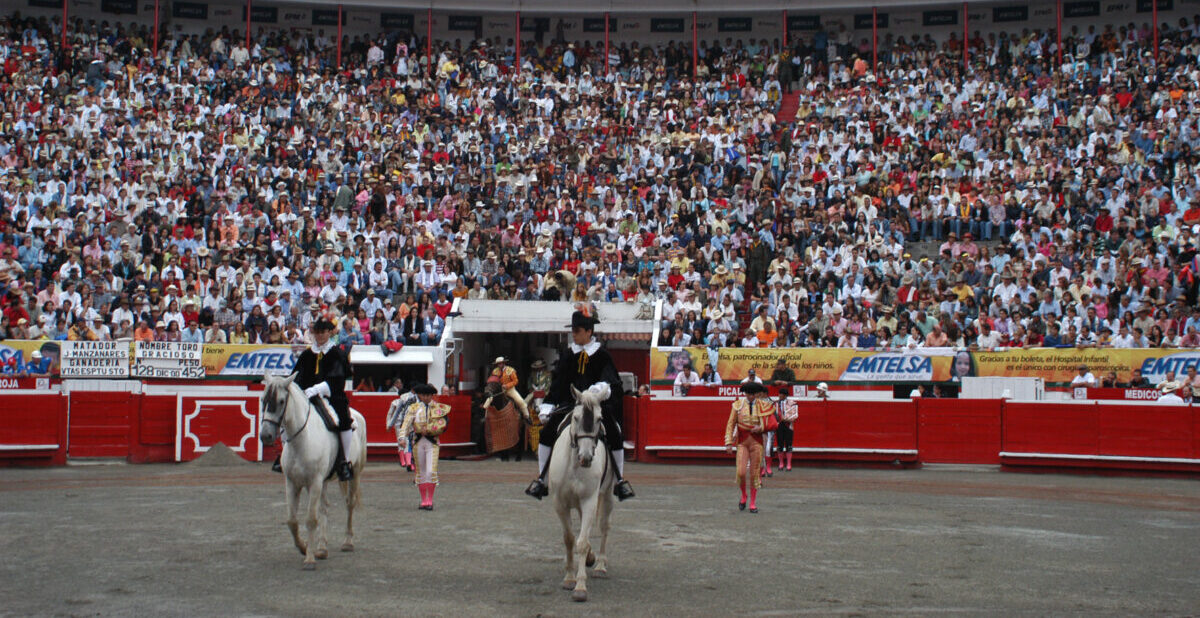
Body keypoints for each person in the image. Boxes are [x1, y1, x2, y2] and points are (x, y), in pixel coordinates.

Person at [525, 309, 635, 501]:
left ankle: (619, 480)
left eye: (576, 331)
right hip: (570, 404)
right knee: (547, 433)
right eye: (573, 331)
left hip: (595, 405)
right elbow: (558, 383)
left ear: (588, 332)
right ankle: (542, 478)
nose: (573, 334)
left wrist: (601, 389)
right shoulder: (568, 355)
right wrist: (548, 405)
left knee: (615, 433)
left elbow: (612, 381)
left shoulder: (602, 355)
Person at [285, 318, 355, 481]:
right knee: (288, 416)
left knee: (343, 418)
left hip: (331, 395)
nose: (320, 336)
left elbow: (337, 379)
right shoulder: (307, 354)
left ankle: (344, 460)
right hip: (307, 396)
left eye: (323, 332)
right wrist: (301, 390)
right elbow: (298, 376)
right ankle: (285, 455)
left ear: (329, 333)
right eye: (317, 333)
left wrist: (317, 389)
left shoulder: (337, 352)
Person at [397, 383, 450, 509]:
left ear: (432, 395)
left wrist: (431, 430)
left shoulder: (438, 408)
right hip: (418, 441)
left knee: (431, 471)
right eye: (424, 395)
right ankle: (423, 500)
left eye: (428, 395)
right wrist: (401, 437)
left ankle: (429, 500)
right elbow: (406, 423)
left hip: (432, 442)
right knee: (420, 472)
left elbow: (443, 425)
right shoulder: (414, 408)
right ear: (420, 395)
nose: (426, 398)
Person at [724, 382, 775, 513]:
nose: (751, 397)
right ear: (745, 394)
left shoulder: (763, 405)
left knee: (754, 473)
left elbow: (774, 424)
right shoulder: (737, 405)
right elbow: (731, 424)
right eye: (749, 394)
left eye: (753, 394)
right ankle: (743, 495)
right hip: (742, 441)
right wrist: (728, 442)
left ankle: (752, 502)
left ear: (757, 394)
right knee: (741, 472)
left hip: (757, 442)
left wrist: (762, 427)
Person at [523, 359, 552, 450]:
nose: (539, 369)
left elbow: (548, 384)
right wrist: (531, 389)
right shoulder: (532, 375)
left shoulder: (548, 374)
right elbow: (529, 383)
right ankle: (523, 414)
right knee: (525, 402)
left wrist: (545, 392)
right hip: (534, 391)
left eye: (540, 367)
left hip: (544, 392)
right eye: (537, 368)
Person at [386, 391, 418, 472]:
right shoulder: (397, 402)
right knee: (403, 441)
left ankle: (407, 462)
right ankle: (405, 461)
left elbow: (390, 414)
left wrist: (389, 424)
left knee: (407, 441)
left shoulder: (408, 401)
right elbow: (390, 414)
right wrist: (389, 424)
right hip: (399, 424)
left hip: (407, 423)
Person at [774, 385, 798, 472]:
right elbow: (773, 415)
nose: (779, 395)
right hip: (779, 425)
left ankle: (788, 464)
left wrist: (786, 418)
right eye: (779, 394)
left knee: (789, 445)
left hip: (788, 425)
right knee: (780, 445)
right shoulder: (775, 404)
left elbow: (795, 415)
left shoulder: (793, 403)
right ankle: (781, 463)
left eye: (781, 394)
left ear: (785, 395)